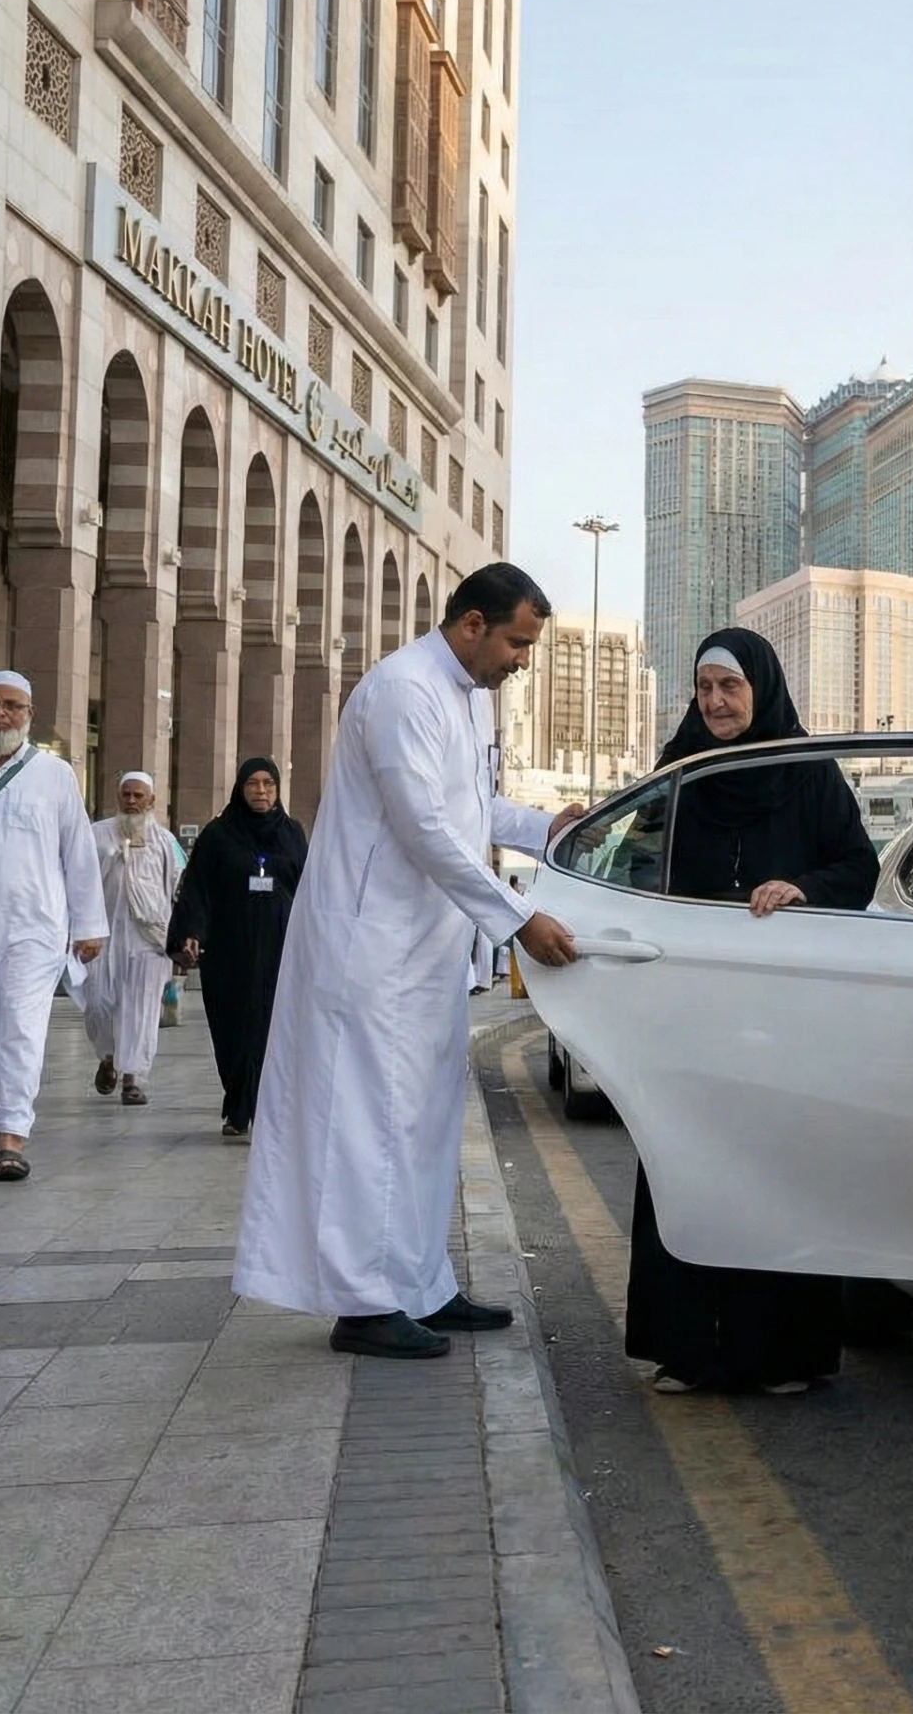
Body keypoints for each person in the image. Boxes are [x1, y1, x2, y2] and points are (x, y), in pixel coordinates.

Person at [232, 563, 583, 1361]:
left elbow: (471, 807)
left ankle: (421, 1284)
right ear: (471, 626)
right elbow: (424, 826)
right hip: (370, 953)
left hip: (424, 954)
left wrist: (546, 826)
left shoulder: (463, 699)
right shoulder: (401, 691)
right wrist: (519, 918)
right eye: (517, 643)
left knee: (422, 1124)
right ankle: (363, 1303)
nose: (522, 661)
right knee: (367, 1126)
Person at [626, 627, 878, 1395]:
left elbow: (857, 866)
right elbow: (634, 862)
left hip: (780, 1013)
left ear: (760, 688)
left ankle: (784, 1353)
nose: (716, 702)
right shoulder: (682, 771)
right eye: (705, 688)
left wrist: (801, 888)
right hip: (694, 1009)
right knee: (688, 1159)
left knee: (777, 1164)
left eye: (730, 687)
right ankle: (691, 1349)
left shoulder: (804, 771)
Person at [0, 671, 106, 1182]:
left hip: (34, 929)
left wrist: (88, 925)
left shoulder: (54, 775)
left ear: (29, 714)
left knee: (21, 1026)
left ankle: (11, 1136)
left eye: (12, 705)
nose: (1, 714)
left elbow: (78, 854)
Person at [166, 758, 307, 1138]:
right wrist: (190, 932)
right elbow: (196, 887)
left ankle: (253, 1110)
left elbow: (311, 889)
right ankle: (238, 1095)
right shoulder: (218, 834)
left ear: (277, 791)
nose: (260, 791)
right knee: (232, 1029)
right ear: (240, 789)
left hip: (280, 949)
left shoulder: (292, 833)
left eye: (268, 785)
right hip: (230, 951)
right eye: (252, 784)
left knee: (269, 1028)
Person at [85, 771, 183, 1107]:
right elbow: (80, 878)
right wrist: (113, 854)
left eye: (138, 795)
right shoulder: (97, 835)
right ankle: (108, 1058)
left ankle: (133, 1078)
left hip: (149, 939)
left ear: (151, 800)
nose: (131, 801)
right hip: (103, 935)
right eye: (126, 794)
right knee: (98, 1004)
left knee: (140, 1009)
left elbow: (177, 886)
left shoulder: (165, 841)